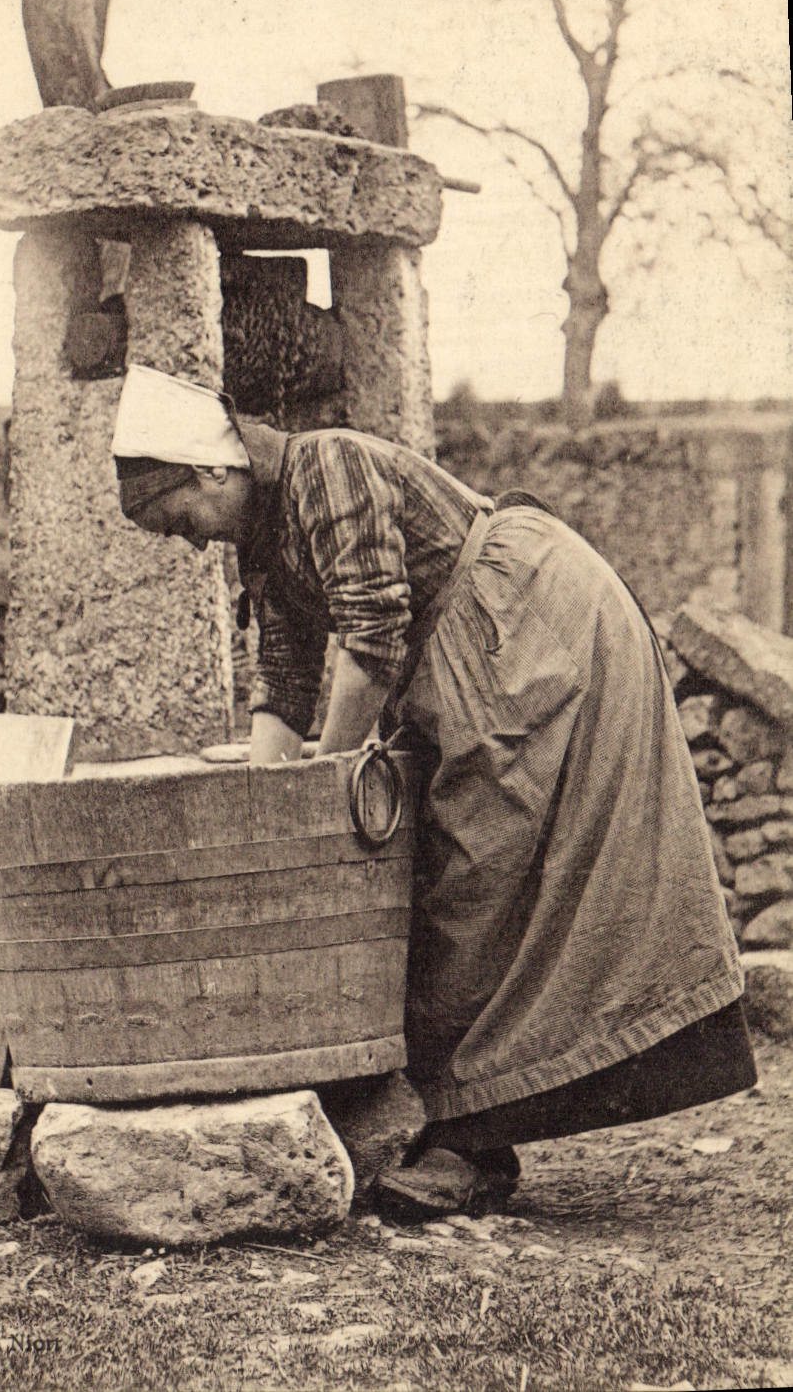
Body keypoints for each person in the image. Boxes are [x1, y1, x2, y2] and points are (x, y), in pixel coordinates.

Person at [111, 364, 756, 1218]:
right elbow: (285, 668)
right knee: (451, 878)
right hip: (468, 657)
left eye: (176, 518)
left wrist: (320, 786)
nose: (187, 540)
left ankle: (471, 1144)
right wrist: (262, 805)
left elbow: (372, 637)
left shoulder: (327, 465)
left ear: (212, 470)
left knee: (476, 874)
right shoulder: (262, 534)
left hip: (528, 625)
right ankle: (465, 1131)